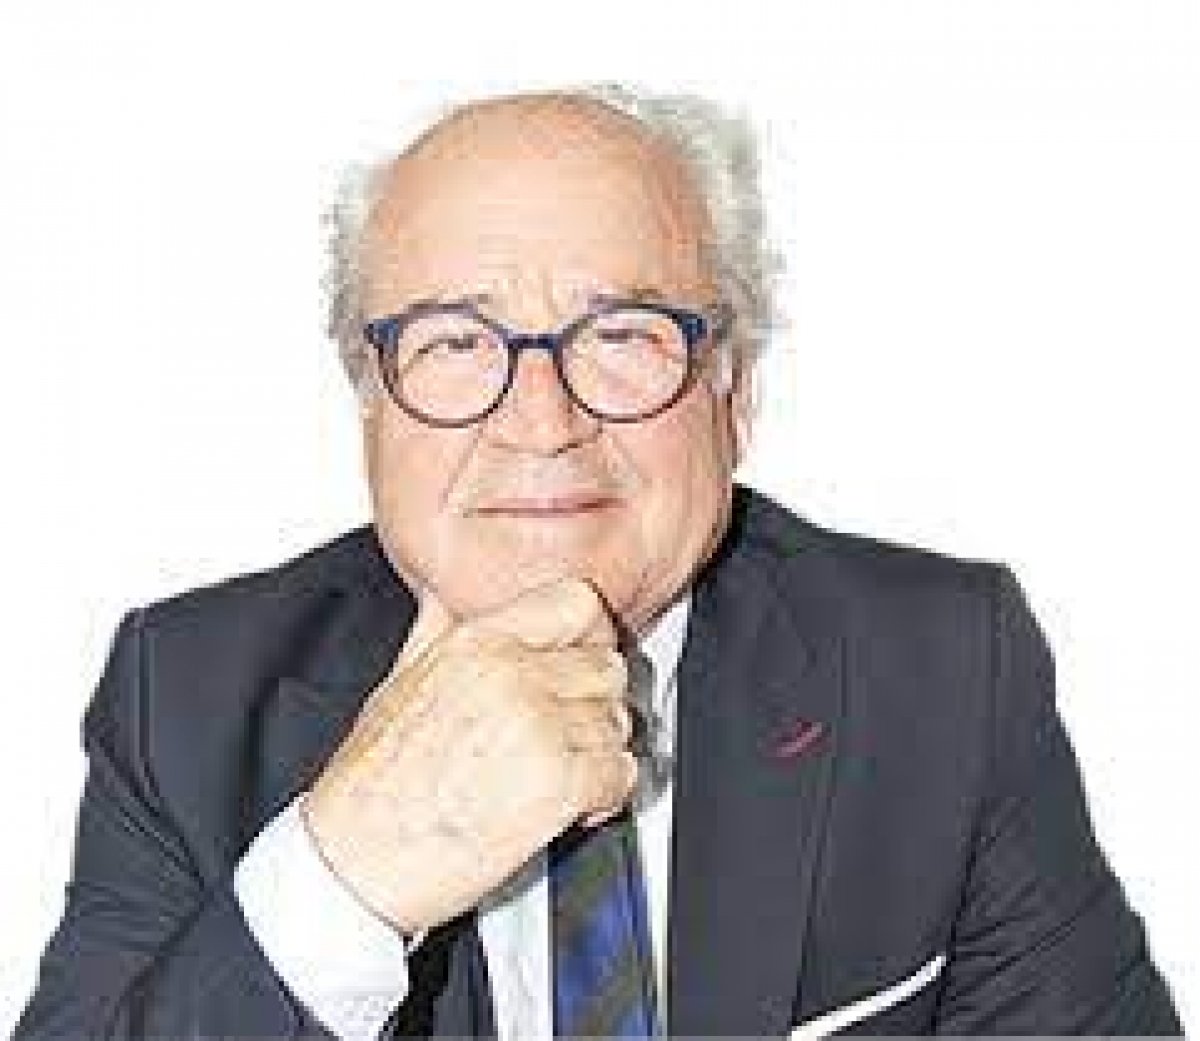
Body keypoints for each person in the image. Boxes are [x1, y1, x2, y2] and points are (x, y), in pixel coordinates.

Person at [15, 84, 1183, 1040]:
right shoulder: (186, 700)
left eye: (623, 334)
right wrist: (348, 876)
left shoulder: (941, 670)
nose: (542, 420)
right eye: (456, 342)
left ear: (733, 391)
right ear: (368, 398)